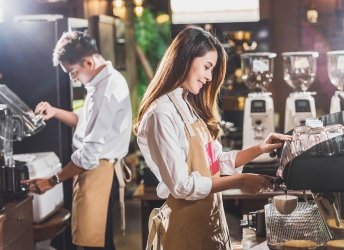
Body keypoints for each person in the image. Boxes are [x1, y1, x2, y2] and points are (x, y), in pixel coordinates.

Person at [134, 27, 291, 250]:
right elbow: (182, 186)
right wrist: (238, 181)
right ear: (185, 58)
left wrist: (261, 148)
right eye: (207, 67)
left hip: (210, 221)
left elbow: (215, 162)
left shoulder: (188, 106)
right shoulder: (162, 113)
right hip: (184, 231)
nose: (209, 77)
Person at [22, 31, 132, 250]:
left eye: (73, 72)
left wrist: (52, 180)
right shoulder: (100, 81)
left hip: (98, 171)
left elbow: (90, 155)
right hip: (94, 170)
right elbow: (84, 122)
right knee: (99, 242)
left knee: (96, 246)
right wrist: (54, 112)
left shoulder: (106, 92)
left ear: (89, 62)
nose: (72, 78)